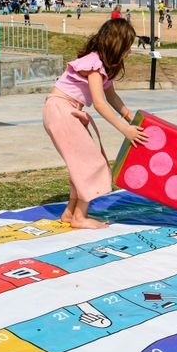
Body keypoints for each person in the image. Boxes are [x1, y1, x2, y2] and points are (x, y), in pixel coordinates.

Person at [44, 18, 147, 229]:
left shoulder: (101, 67)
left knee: (80, 164)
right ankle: (80, 218)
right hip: (61, 111)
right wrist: (125, 130)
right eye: (127, 47)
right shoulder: (93, 64)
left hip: (66, 111)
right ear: (116, 45)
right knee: (91, 163)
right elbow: (100, 104)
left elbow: (112, 97)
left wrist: (130, 117)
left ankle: (70, 213)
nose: (129, 52)